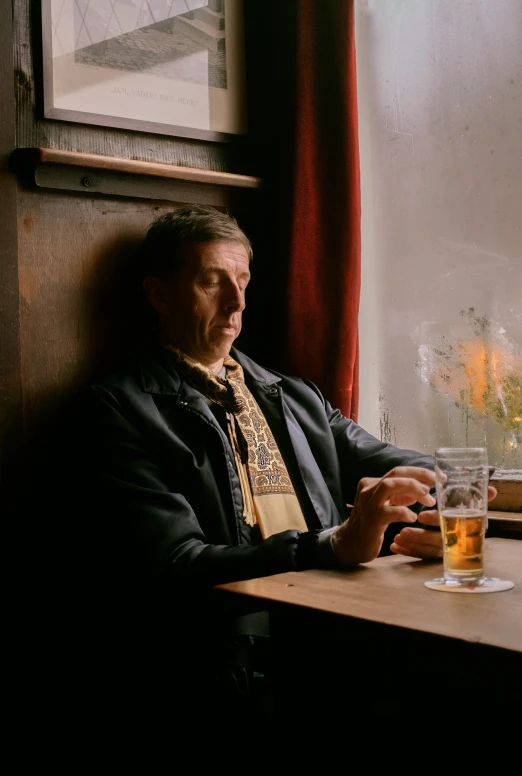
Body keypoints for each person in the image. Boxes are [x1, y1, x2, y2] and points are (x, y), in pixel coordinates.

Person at [37, 205, 495, 742]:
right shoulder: (118, 410)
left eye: (243, 280)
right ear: (158, 295)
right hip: (221, 667)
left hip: (331, 632)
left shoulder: (290, 395)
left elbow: (385, 457)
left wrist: (461, 490)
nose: (237, 301)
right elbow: (176, 564)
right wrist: (334, 544)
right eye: (213, 281)